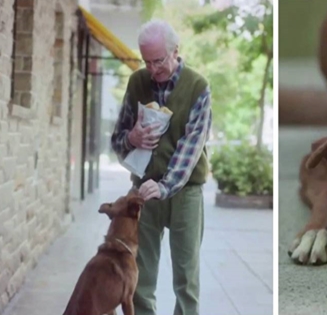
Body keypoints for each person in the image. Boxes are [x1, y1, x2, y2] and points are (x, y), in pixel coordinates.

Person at [110, 19, 211, 315]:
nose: (152, 70)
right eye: (147, 61)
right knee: (140, 276)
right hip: (142, 192)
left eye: (159, 61)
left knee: (186, 278)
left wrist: (165, 185)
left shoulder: (198, 87)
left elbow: (190, 150)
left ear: (175, 51)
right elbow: (117, 140)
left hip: (185, 192)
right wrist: (132, 137)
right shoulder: (137, 82)